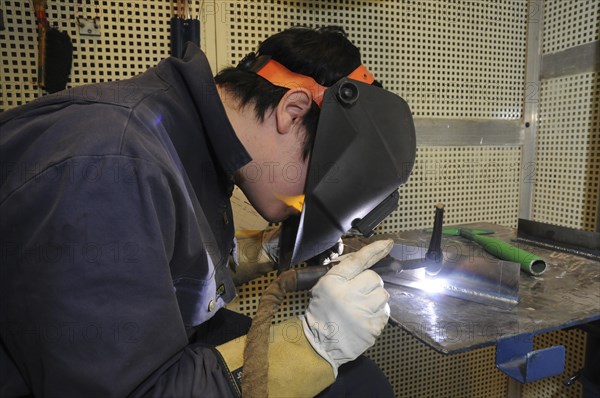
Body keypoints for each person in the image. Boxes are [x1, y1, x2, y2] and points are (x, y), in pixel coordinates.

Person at [0, 26, 395, 397]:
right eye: (319, 181)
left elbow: (158, 261)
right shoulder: (110, 168)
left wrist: (260, 253)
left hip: (151, 352)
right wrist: (310, 347)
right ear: (292, 110)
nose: (303, 205)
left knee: (358, 383)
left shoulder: (184, 141)